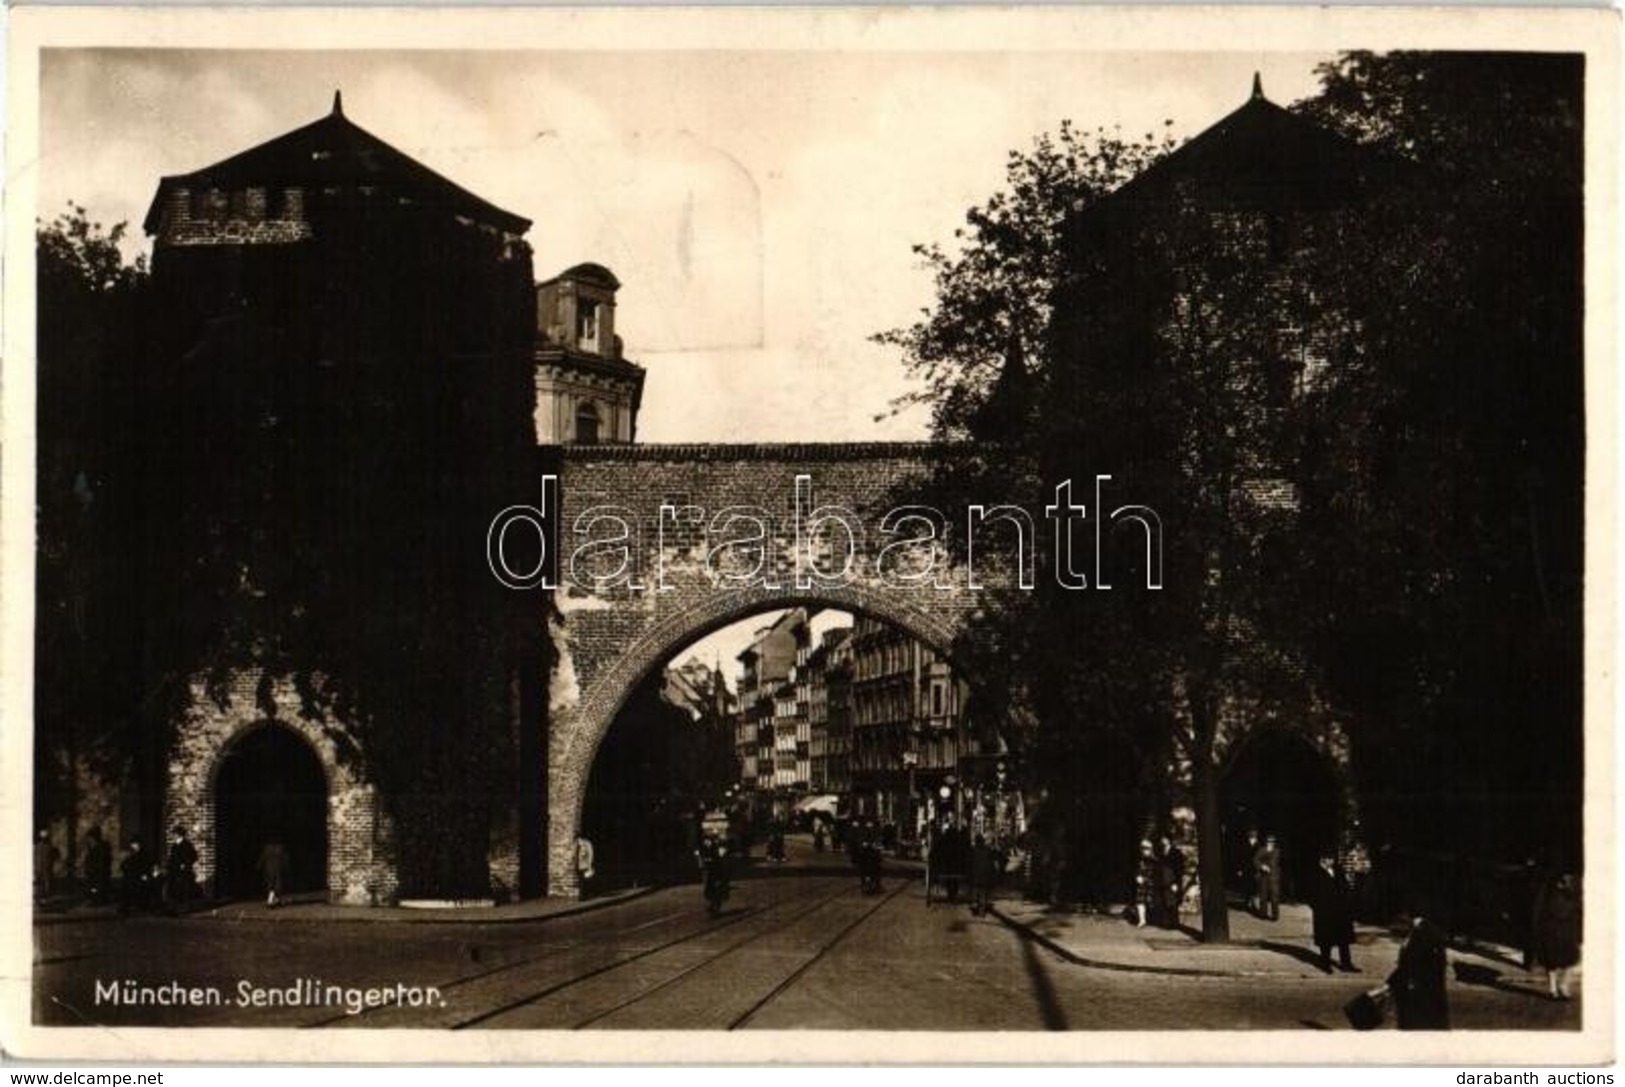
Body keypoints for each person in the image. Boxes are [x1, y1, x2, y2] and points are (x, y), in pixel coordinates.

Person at [1388, 911, 1450, 1030]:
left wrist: (1392, 984)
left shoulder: (1422, 933)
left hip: (1419, 997)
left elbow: (1411, 966)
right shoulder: (1421, 931)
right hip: (1422, 993)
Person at [1531, 872, 1581, 1001]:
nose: (1566, 883)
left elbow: (1579, 911)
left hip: (1568, 929)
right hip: (1551, 929)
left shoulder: (1573, 892)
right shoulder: (1547, 891)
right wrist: (1537, 929)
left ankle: (1563, 986)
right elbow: (1539, 909)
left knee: (1570, 959)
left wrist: (1579, 932)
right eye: (1563, 881)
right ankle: (1553, 989)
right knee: (1551, 961)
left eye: (1568, 880)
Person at [1309, 853, 1358, 973]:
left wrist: (1347, 903)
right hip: (1324, 911)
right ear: (1322, 860)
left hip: (1340, 910)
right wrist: (1318, 908)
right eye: (1327, 859)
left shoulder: (1338, 871)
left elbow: (1345, 888)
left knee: (1343, 939)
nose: (1330, 861)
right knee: (1326, 940)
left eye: (1331, 859)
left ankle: (1346, 964)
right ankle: (1325, 964)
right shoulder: (1315, 874)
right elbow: (1310, 894)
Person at [165, 827, 198, 909]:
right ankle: (173, 905)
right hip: (174, 869)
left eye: (175, 834)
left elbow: (193, 856)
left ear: (180, 835)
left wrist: (185, 864)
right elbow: (172, 857)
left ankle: (183, 906)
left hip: (184, 870)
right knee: (173, 887)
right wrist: (168, 866)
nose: (174, 836)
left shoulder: (187, 844)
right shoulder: (174, 845)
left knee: (183, 887)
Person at [119, 838, 153, 915]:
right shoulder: (131, 854)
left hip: (138, 875)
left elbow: (145, 865)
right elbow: (124, 864)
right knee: (126, 887)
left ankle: (138, 905)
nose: (133, 846)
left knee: (136, 887)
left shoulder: (143, 854)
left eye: (135, 844)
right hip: (131, 876)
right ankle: (126, 906)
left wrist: (144, 874)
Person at [1157, 836, 1186, 928]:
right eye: (1161, 839)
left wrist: (1176, 882)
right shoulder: (1161, 852)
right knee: (1165, 900)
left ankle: (1174, 923)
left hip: (1172, 878)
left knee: (1173, 902)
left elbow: (1179, 868)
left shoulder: (1176, 852)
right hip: (1164, 879)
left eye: (1164, 838)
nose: (1162, 840)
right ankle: (1167, 922)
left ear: (1168, 840)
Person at [1253, 834, 1281, 921]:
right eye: (1269, 841)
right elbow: (1255, 860)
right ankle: (1263, 914)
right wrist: (1262, 866)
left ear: (1274, 843)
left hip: (1274, 877)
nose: (1270, 843)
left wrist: (1279, 873)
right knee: (1263, 896)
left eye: (1272, 842)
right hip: (1264, 877)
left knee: (1274, 896)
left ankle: (1275, 916)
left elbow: (1282, 863)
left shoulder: (1277, 851)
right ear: (1266, 842)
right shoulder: (1262, 850)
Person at [83, 826, 113, 906]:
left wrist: (93, 868)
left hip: (98, 873)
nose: (88, 841)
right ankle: (96, 900)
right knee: (94, 887)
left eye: (90, 839)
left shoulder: (99, 849)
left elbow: (101, 861)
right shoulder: (93, 848)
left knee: (97, 887)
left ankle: (98, 901)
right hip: (94, 873)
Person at [969, 832, 997, 917]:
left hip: (976, 874)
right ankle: (981, 910)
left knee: (976, 889)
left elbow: (969, 863)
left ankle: (975, 905)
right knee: (983, 892)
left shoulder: (973, 850)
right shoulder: (988, 850)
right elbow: (992, 862)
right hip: (985, 874)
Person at [257, 839, 290, 908]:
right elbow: (284, 858)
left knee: (272, 883)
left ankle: (274, 900)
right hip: (276, 868)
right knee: (275, 884)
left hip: (270, 868)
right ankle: (271, 900)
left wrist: (259, 866)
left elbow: (263, 858)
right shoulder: (280, 848)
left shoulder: (268, 848)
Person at [1133, 839, 1157, 927]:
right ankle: (1142, 920)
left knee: (1150, 901)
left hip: (1151, 883)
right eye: (1142, 848)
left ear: (1150, 849)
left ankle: (1153, 919)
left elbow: (1155, 873)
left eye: (1146, 848)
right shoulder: (1140, 859)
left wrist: (1146, 879)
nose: (1144, 850)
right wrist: (1137, 876)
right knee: (1140, 901)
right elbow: (1137, 870)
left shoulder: (1154, 860)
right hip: (1142, 883)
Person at [34, 829, 58, 904]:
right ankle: (42, 898)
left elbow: (55, 856)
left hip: (42, 868)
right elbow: (55, 856)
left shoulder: (38, 847)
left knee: (42, 884)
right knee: (43, 884)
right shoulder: (49, 847)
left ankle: (42, 898)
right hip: (43, 868)